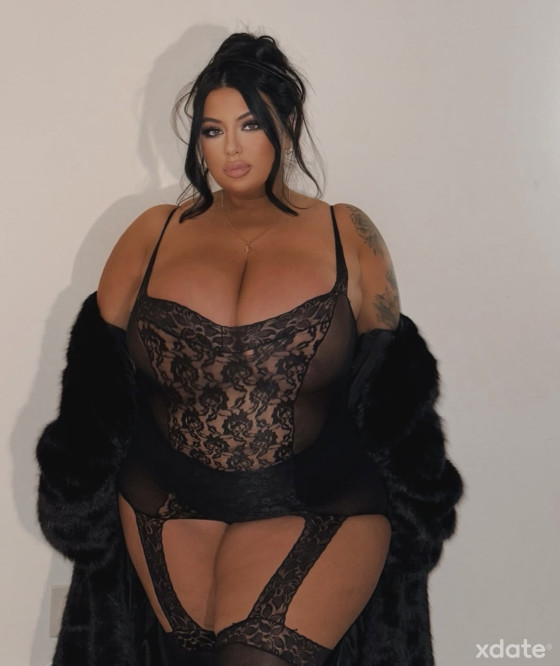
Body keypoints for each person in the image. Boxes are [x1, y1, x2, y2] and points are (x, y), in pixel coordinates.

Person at [36, 33, 463, 666]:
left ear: (286, 125)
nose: (231, 148)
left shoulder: (349, 233)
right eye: (213, 131)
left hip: (317, 502)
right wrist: (76, 507)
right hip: (164, 507)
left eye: (250, 124)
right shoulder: (150, 234)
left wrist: (419, 509)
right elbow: (95, 393)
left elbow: (392, 397)